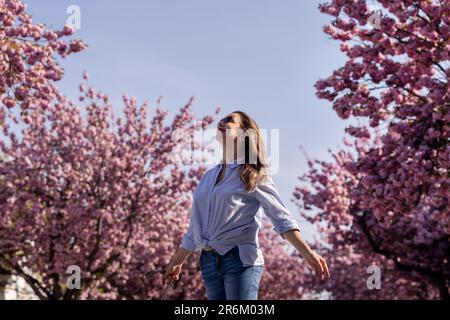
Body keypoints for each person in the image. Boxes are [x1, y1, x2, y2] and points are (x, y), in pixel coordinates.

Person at [164, 111, 330, 300]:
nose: (222, 122)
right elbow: (195, 228)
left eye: (229, 120)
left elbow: (281, 217)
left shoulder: (253, 174)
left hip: (240, 260)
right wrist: (176, 263)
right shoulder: (207, 177)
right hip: (209, 262)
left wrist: (307, 253)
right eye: (222, 119)